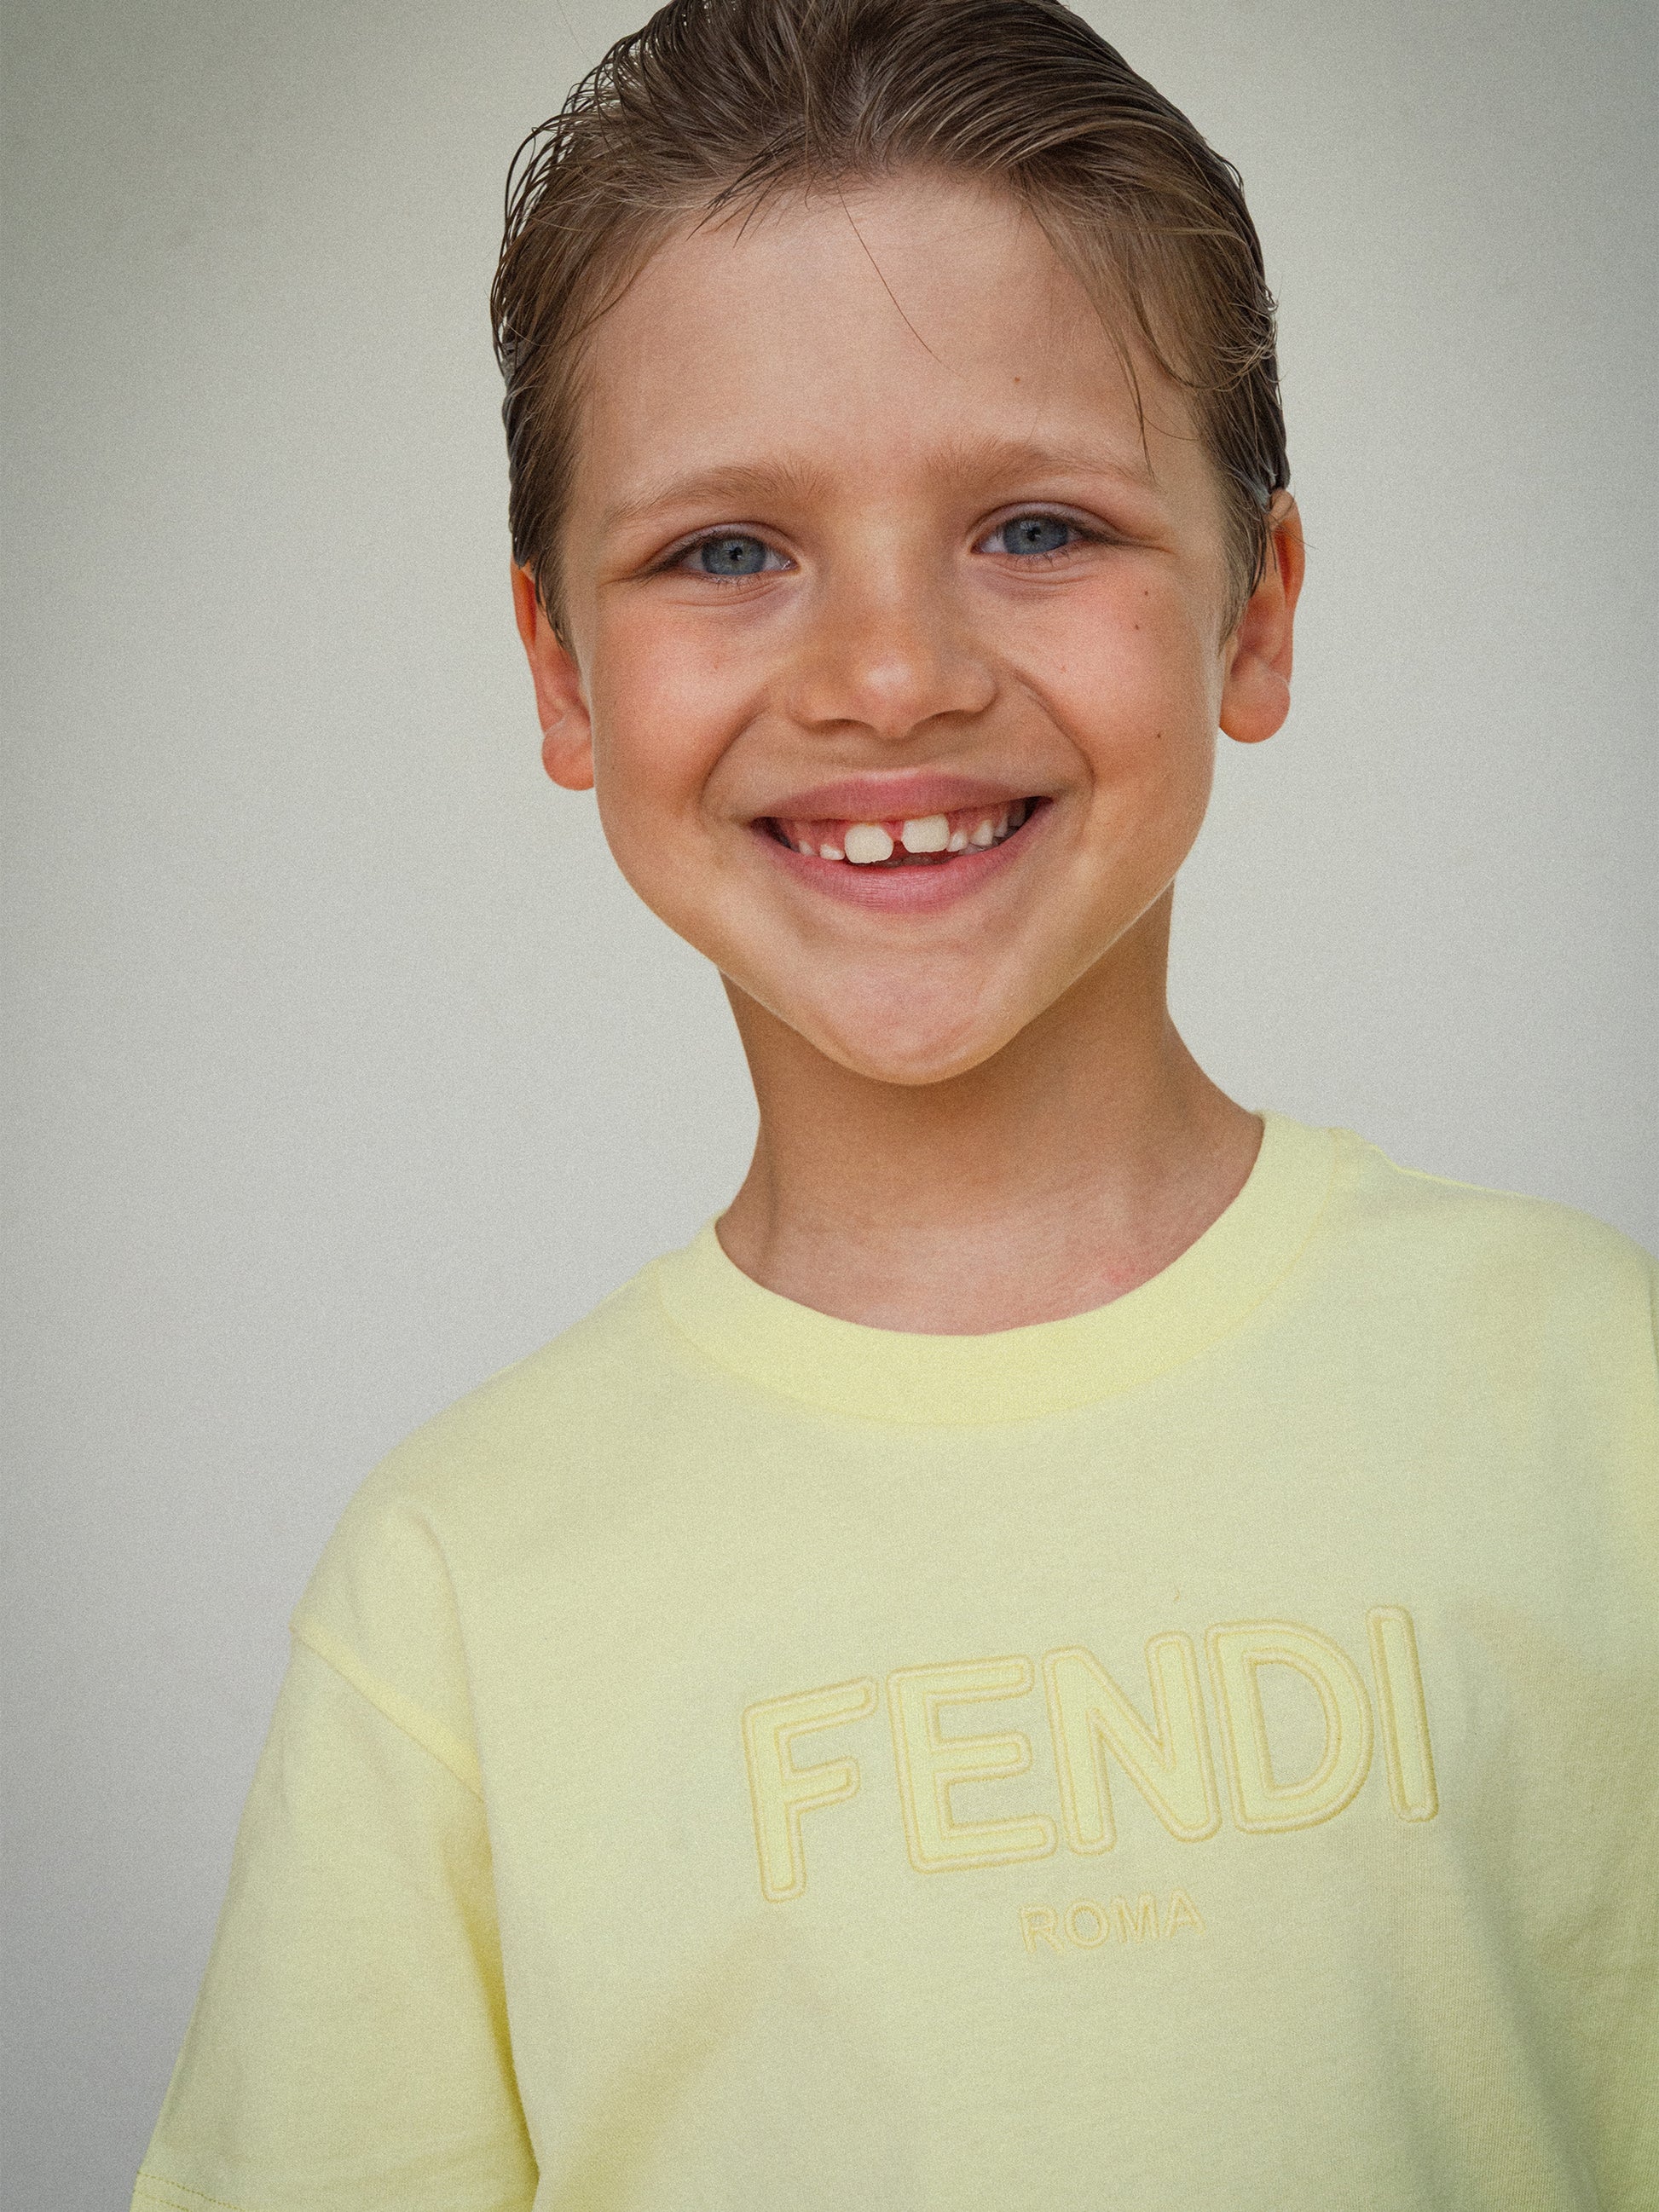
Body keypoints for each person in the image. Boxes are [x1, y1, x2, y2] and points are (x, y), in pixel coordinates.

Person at [131, 0, 1658, 2204]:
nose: (887, 676)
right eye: (726, 551)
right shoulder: (451, 1594)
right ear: (562, 671)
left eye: (1034, 525)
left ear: (1257, 609)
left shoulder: (1599, 1398)